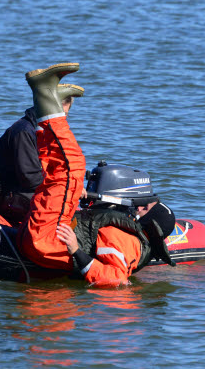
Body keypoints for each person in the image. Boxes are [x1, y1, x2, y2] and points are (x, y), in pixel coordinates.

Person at [18, 62, 176, 287]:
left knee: (72, 166)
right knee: (57, 169)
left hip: (49, 241)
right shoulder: (124, 229)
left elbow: (116, 279)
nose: (141, 205)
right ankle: (49, 102)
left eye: (147, 208)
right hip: (46, 234)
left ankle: (44, 93)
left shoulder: (130, 241)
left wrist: (75, 250)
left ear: (150, 223)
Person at [0, 83, 85, 224]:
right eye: (57, 114)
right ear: (45, 108)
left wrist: (74, 186)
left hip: (19, 186)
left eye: (64, 115)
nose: (61, 119)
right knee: (52, 204)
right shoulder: (24, 131)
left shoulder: (48, 133)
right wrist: (64, 187)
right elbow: (30, 178)